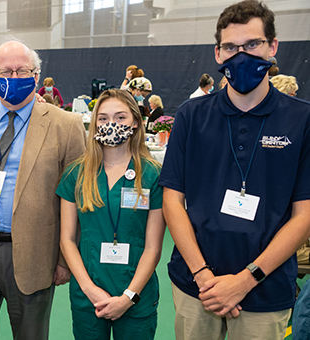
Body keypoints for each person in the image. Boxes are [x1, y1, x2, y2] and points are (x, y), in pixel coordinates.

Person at [159, 1, 310, 339]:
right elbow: (172, 200)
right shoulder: (190, 115)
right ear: (217, 53)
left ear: (272, 47)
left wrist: (245, 280)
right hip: (196, 284)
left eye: (252, 44)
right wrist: (202, 275)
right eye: (230, 47)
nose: (241, 55)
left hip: (265, 288)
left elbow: (304, 215)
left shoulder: (302, 119)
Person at [0, 40, 86, 340]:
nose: (13, 78)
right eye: (5, 71)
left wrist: (64, 258)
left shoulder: (66, 125)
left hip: (32, 253)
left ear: (36, 76)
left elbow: (77, 197)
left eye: (21, 71)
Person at [57, 89, 165, 339]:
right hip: (88, 295)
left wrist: (129, 296)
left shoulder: (152, 175)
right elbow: (67, 240)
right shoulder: (76, 174)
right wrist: (89, 289)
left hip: (136, 294)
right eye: (103, 119)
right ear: (94, 123)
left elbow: (153, 247)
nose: (111, 125)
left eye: (120, 117)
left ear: (136, 122)